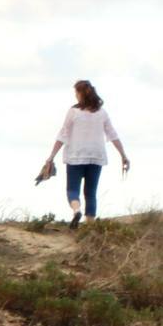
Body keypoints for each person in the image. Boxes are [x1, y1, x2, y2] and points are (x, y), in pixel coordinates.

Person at [44, 80, 130, 230]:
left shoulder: (73, 112)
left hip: (75, 156)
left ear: (80, 94)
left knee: (72, 190)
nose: (75, 96)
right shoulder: (102, 113)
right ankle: (89, 228)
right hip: (96, 157)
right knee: (90, 193)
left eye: (76, 93)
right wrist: (123, 155)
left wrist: (51, 156)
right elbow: (113, 134)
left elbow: (62, 134)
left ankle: (76, 211)